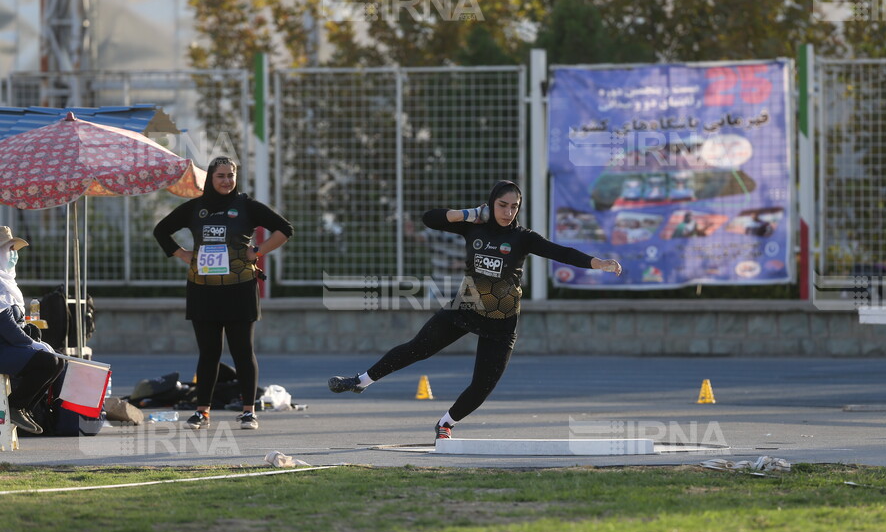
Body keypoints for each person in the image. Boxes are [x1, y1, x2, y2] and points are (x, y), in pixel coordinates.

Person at [327, 180, 622, 441]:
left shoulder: (523, 237)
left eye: (514, 207)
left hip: (501, 321)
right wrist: (469, 214)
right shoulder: (474, 227)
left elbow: (562, 252)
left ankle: (446, 423)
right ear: (491, 203)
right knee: (418, 348)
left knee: (482, 385)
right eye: (502, 205)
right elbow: (430, 219)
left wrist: (598, 263)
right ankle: (360, 381)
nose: (508, 212)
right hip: (465, 308)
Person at [153, 157, 293, 431]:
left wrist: (258, 251)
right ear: (210, 179)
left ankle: (248, 412)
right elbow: (161, 230)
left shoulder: (246, 206)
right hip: (203, 290)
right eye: (221, 176)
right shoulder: (196, 207)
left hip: (240, 288)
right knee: (209, 352)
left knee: (243, 351)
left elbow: (284, 229)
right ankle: (202, 412)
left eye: (231, 175)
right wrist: (182, 253)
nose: (227, 181)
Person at [0, 226, 66, 435]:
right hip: (3, 348)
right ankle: (13, 406)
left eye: (13, 249)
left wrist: (34, 341)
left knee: (58, 361)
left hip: (9, 347)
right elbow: (8, 328)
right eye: (8, 249)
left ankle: (22, 408)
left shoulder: (7, 282)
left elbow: (17, 324)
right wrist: (32, 344)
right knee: (47, 362)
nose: (13, 254)